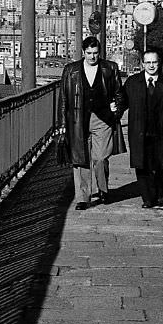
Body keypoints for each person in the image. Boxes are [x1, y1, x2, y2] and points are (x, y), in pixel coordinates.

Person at [58, 36, 125, 210]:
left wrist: (116, 111)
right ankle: (82, 197)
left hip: (103, 119)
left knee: (101, 157)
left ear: (100, 53)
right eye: (89, 53)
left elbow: (120, 94)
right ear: (83, 52)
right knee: (81, 159)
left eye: (95, 53)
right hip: (78, 120)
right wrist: (62, 124)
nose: (92, 57)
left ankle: (103, 189)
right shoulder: (70, 70)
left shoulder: (110, 68)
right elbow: (64, 99)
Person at [120, 48, 163, 208]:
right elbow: (122, 102)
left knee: (162, 165)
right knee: (142, 165)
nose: (151, 66)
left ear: (159, 63)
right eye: (148, 63)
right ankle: (147, 198)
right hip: (139, 131)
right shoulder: (133, 82)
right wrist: (111, 112)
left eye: (154, 62)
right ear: (142, 64)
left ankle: (160, 193)